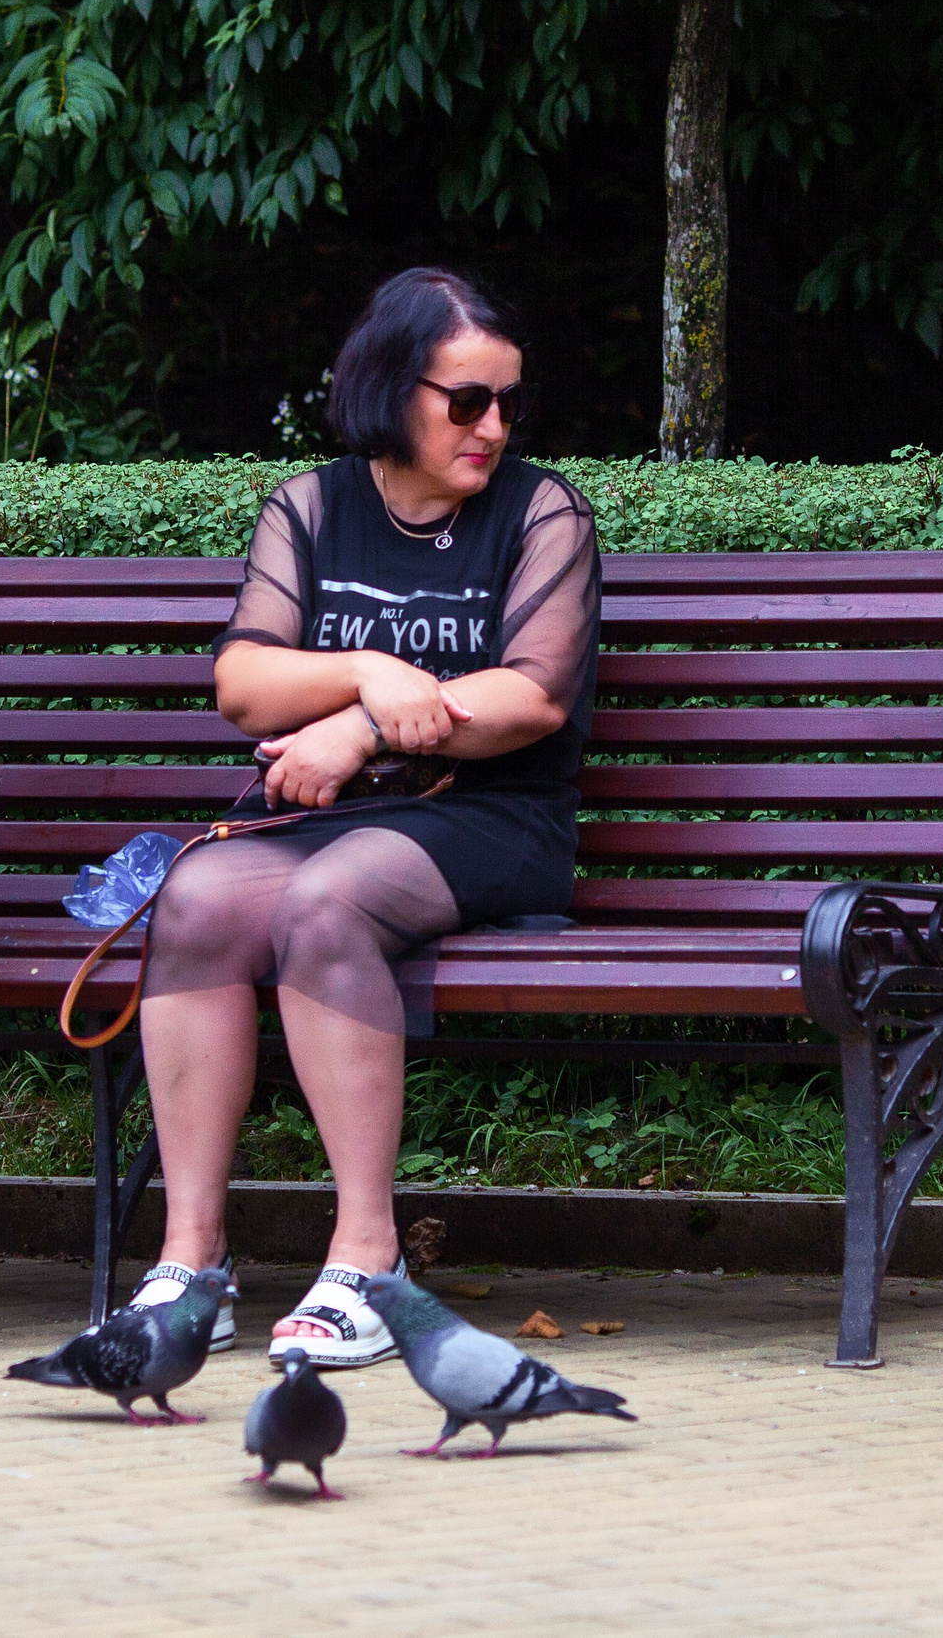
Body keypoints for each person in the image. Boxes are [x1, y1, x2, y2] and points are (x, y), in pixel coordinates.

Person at [129, 267, 600, 1366]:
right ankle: (193, 1259)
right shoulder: (310, 507)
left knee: (326, 900)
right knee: (193, 898)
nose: (493, 427)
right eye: (466, 401)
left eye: (508, 402)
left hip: (494, 817)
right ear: (393, 388)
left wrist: (360, 727)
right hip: (340, 820)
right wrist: (365, 671)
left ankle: (368, 1260)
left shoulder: (543, 513)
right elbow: (245, 683)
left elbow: (533, 696)